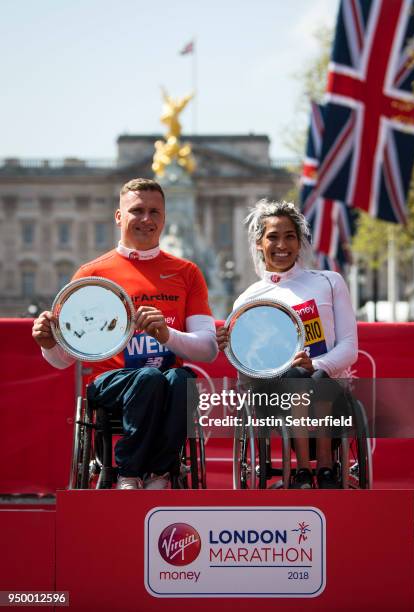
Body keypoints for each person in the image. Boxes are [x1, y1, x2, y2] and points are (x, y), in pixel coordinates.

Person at [32, 178, 218, 490]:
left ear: (164, 217)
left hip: (169, 385)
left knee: (182, 380)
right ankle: (128, 472)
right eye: (137, 211)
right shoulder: (92, 274)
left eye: (154, 212)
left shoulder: (187, 272)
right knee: (149, 377)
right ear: (119, 217)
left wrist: (166, 334)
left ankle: (160, 473)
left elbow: (208, 350)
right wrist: (48, 343)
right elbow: (62, 360)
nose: (147, 219)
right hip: (112, 383)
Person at [216, 199, 358, 489]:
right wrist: (232, 347)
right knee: (294, 380)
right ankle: (305, 469)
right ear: (259, 243)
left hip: (328, 388)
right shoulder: (247, 299)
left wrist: (316, 364)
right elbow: (247, 369)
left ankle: (324, 467)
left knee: (312, 378)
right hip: (274, 395)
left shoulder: (329, 281)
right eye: (272, 237)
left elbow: (349, 347)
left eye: (289, 236)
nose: (282, 245)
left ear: (300, 241)